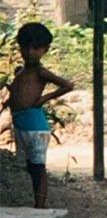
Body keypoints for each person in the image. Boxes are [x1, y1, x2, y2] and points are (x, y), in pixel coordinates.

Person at [5, 22, 74, 208]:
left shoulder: (40, 72)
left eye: (35, 48)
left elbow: (68, 85)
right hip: (22, 124)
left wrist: (45, 97)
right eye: (24, 47)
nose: (29, 52)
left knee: (38, 166)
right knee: (30, 166)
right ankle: (38, 201)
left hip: (36, 126)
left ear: (45, 49)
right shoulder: (20, 71)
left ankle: (40, 205)